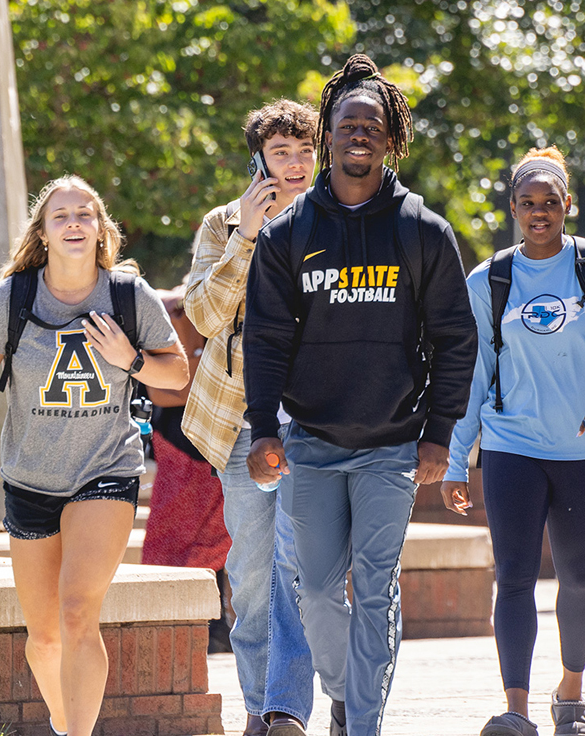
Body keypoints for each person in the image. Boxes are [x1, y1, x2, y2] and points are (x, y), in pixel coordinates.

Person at [241, 54, 478, 736]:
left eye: (373, 124)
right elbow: (264, 340)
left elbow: (455, 339)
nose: (360, 134)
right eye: (348, 123)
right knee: (315, 590)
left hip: (393, 446)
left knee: (374, 589)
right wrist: (263, 430)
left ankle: (364, 724)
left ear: (391, 138)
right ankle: (348, 693)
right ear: (329, 134)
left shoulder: (423, 231)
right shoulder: (289, 234)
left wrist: (439, 433)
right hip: (311, 442)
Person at [0, 176, 191, 736]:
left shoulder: (129, 296)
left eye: (85, 213)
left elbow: (177, 372)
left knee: (78, 612)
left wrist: (130, 358)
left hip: (105, 471)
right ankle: (63, 719)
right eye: (61, 215)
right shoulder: (14, 297)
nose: (74, 222)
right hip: (29, 479)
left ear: (101, 229)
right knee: (44, 637)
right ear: (44, 233)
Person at [441, 147, 585, 736]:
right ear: (512, 208)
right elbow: (474, 372)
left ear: (567, 206)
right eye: (527, 203)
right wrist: (458, 459)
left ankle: (571, 697)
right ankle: (516, 710)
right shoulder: (491, 279)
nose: (538, 213)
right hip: (511, 447)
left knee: (578, 576)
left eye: (549, 203)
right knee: (514, 577)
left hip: (583, 448)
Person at [178, 99, 345, 736]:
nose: (296, 165)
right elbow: (202, 316)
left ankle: (295, 708)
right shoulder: (224, 224)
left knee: (300, 569)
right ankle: (259, 707)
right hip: (243, 421)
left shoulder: (339, 221)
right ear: (259, 159)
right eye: (281, 153)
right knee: (250, 576)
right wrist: (248, 235)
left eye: (305, 152)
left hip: (318, 421)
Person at [138, 297, 229, 648]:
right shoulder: (171, 304)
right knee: (173, 540)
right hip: (181, 444)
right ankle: (177, 628)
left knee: (219, 538)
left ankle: (213, 625)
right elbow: (162, 391)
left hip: (218, 439)